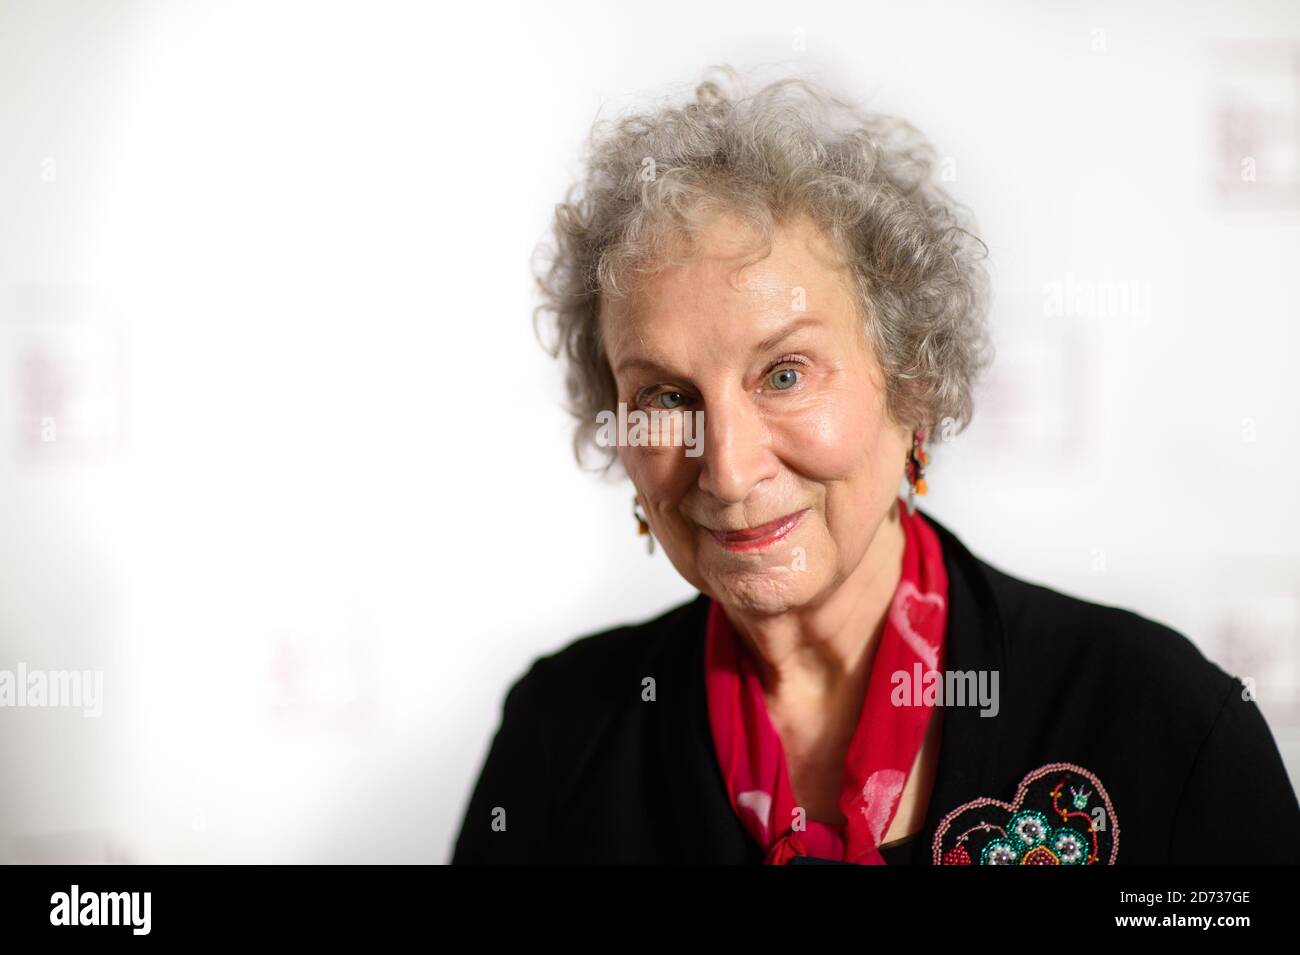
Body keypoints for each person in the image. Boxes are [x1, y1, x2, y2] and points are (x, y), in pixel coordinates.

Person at [451, 66, 1300, 864]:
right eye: (666, 399)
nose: (731, 471)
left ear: (913, 385)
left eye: (784, 374)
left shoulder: (1158, 722)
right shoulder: (560, 736)